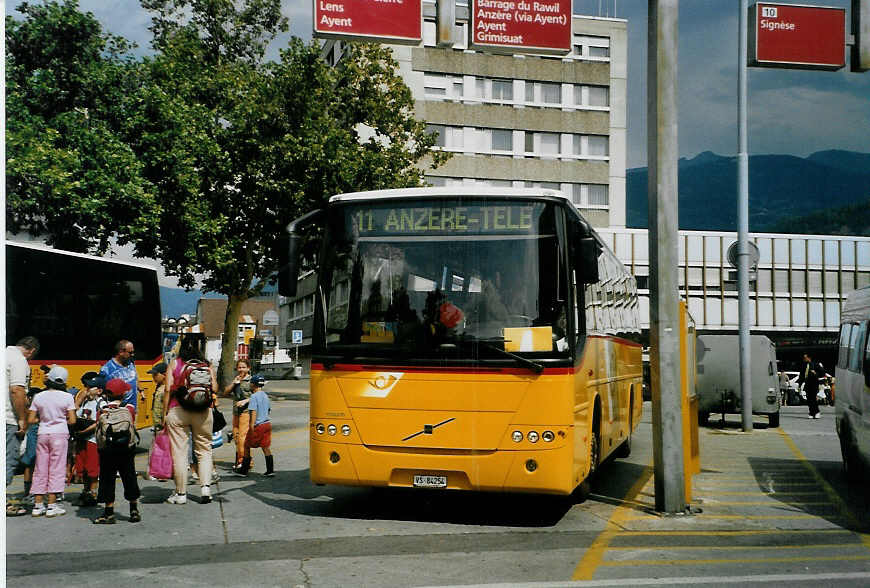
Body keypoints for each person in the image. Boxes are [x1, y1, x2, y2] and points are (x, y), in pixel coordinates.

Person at [162, 338, 217, 504]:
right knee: (205, 451)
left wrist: (164, 413)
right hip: (203, 411)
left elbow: (167, 389)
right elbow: (214, 388)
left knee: (180, 453)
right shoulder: (206, 365)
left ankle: (181, 494)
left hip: (178, 410)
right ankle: (205, 489)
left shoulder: (175, 364)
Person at [27, 365, 76, 517]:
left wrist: (44, 420)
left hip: (42, 433)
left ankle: (38, 505)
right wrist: (60, 419)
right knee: (57, 468)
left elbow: (31, 419)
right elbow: (72, 420)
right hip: (60, 434)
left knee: (40, 468)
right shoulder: (67, 397)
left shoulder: (39, 396)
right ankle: (52, 505)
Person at [93, 378, 141, 524]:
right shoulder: (129, 409)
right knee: (129, 476)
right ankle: (134, 510)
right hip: (126, 449)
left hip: (107, 450)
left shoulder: (101, 412)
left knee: (108, 478)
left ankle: (109, 513)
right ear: (123, 394)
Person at [6, 336, 39, 516]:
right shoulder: (19, 360)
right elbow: (16, 390)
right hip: (8, 418)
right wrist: (21, 419)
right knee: (8, 461)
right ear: (31, 351)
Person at [74, 373, 106, 506]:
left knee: (92, 468)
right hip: (82, 439)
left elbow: (100, 421)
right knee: (82, 467)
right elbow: (75, 414)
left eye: (90, 387)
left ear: (99, 390)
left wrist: (84, 431)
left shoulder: (101, 403)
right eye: (86, 387)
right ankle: (86, 490)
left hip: (92, 440)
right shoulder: (85, 402)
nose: (87, 390)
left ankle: (93, 492)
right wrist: (79, 401)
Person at [236, 374, 273, 477]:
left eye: (250, 383)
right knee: (265, 447)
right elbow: (268, 410)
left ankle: (244, 470)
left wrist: (252, 425)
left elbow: (253, 412)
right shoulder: (265, 395)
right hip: (267, 423)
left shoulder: (253, 396)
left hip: (258, 425)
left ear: (253, 385)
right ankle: (270, 470)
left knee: (246, 445)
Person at [224, 358, 252, 471]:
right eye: (239, 367)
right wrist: (233, 383)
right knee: (236, 438)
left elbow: (257, 395)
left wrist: (245, 401)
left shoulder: (251, 381)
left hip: (246, 412)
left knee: (242, 438)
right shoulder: (236, 380)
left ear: (248, 368)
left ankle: (243, 461)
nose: (241, 369)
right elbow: (225, 392)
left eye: (243, 367)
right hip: (236, 412)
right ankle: (244, 460)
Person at [100, 339, 138, 411]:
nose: (133, 355)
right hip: (117, 411)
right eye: (130, 352)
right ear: (121, 352)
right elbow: (103, 392)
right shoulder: (107, 369)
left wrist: (140, 389)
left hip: (132, 408)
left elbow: (134, 377)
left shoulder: (130, 362)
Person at [798, 352, 823, 419]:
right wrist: (799, 385)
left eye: (805, 357)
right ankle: (811, 412)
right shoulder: (804, 365)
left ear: (809, 358)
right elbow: (801, 375)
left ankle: (817, 412)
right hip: (807, 384)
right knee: (808, 399)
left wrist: (816, 373)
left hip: (814, 383)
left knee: (813, 398)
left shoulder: (816, 364)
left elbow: (822, 373)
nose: (804, 359)